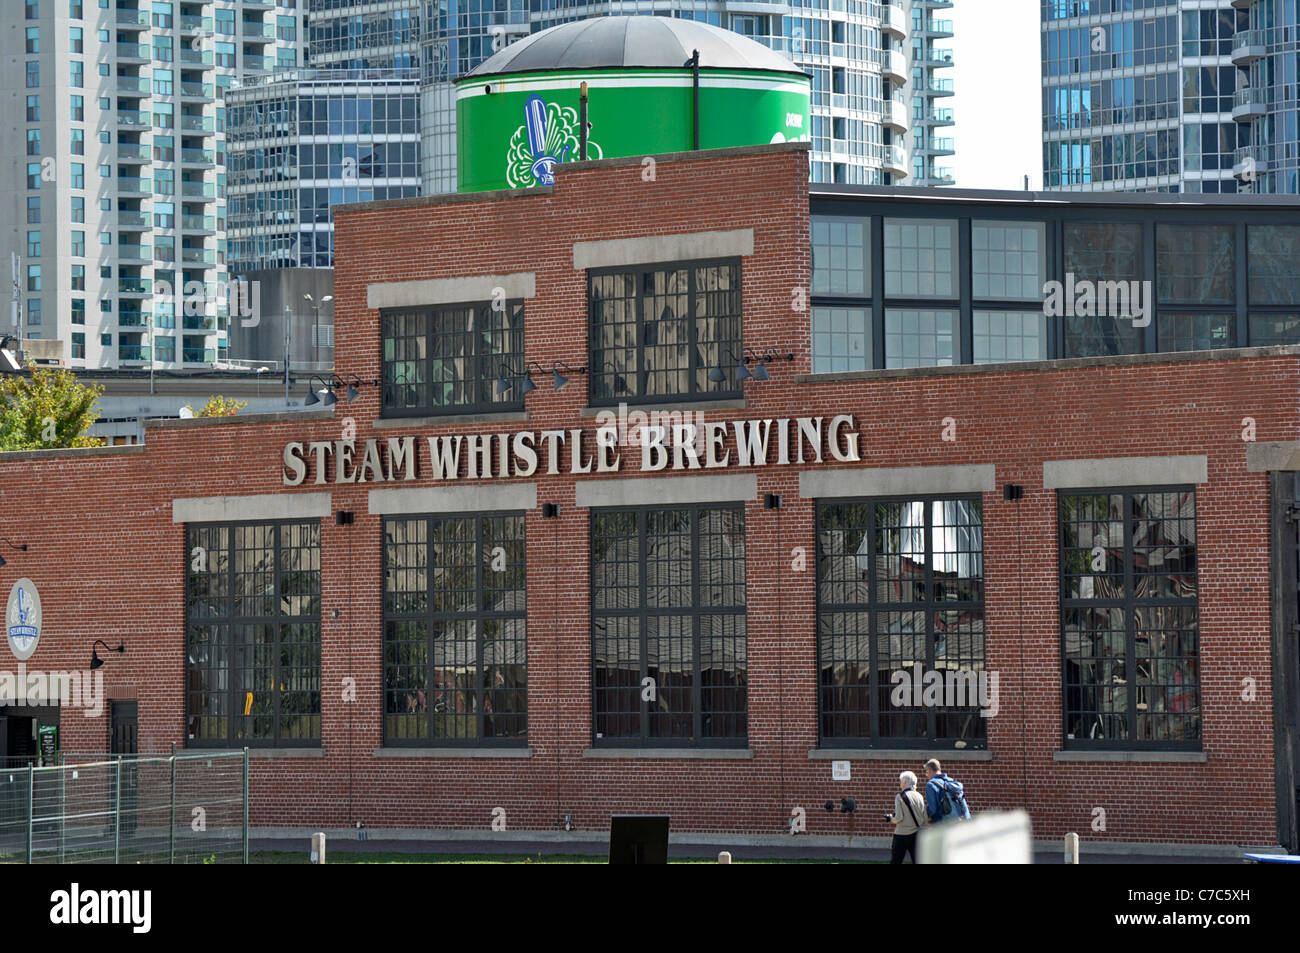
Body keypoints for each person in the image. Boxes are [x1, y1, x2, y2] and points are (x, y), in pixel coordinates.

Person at [888, 770, 927, 864]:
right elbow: (924, 817)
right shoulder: (919, 796)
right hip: (916, 834)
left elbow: (899, 818)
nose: (900, 784)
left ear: (905, 783)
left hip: (901, 834)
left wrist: (891, 818)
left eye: (901, 782)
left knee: (896, 861)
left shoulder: (899, 797)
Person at [923, 758, 971, 823]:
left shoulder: (931, 785)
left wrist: (925, 816)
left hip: (945, 824)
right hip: (963, 821)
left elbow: (932, 809)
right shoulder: (951, 781)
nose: (927, 775)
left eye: (926, 772)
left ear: (929, 770)